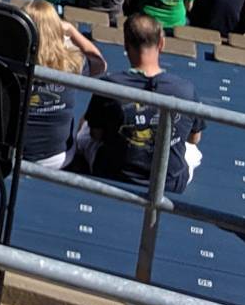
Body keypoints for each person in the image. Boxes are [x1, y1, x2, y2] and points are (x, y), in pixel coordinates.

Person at [86, 15, 201, 195]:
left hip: (114, 175)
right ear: (161, 44)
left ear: (126, 44)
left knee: (85, 129)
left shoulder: (109, 85)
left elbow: (95, 133)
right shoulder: (185, 89)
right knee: (193, 151)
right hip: (169, 182)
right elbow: (194, 139)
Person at [20, 0, 106, 168]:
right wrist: (72, 31)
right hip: (56, 158)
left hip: (12, 154)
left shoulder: (10, 63)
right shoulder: (71, 63)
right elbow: (100, 64)